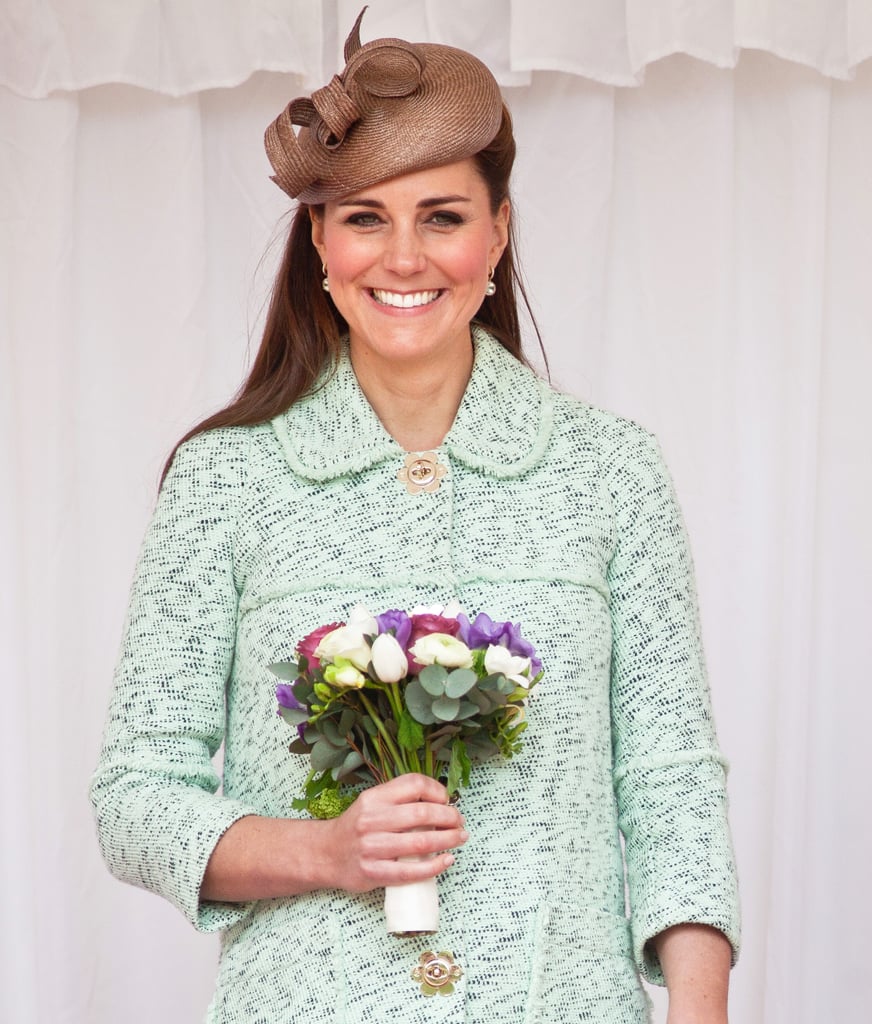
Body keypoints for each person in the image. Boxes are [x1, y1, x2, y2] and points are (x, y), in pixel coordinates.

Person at [90, 10, 740, 1023]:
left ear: (497, 232)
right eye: (363, 218)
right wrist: (324, 848)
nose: (402, 258)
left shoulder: (609, 472)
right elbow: (135, 797)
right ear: (316, 238)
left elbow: (672, 792)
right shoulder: (226, 480)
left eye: (441, 216)